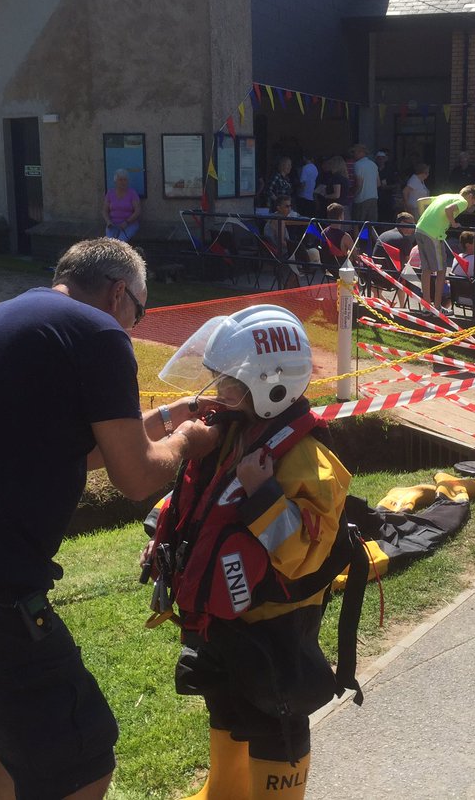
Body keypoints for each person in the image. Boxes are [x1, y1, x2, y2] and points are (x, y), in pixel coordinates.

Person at [0, 238, 220, 800]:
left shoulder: (8, 320)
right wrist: (188, 439)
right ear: (118, 293)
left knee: (11, 726)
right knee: (82, 754)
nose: (135, 323)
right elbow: (135, 478)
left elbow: (72, 450)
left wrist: (165, 418)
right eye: (141, 310)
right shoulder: (99, 333)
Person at [148, 306, 353, 800]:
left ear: (272, 385)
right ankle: (225, 788)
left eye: (230, 384)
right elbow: (198, 497)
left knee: (274, 713)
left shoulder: (309, 460)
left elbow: (303, 554)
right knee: (223, 698)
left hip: (274, 622)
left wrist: (263, 495)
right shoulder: (235, 431)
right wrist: (161, 538)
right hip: (224, 615)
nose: (220, 393)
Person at [416, 186, 475, 313]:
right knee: (441, 270)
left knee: (426, 269)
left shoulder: (446, 195)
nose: (470, 206)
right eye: (473, 203)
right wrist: (454, 223)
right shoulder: (462, 201)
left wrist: (427, 220)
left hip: (420, 229)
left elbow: (421, 201)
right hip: (433, 234)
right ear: (470, 196)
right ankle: (437, 307)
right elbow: (448, 210)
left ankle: (426, 306)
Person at [264, 195, 303, 288]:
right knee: (308, 257)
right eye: (286, 206)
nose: (289, 209)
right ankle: (289, 291)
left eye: (290, 206)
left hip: (273, 252)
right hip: (280, 254)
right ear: (278, 208)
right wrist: (295, 249)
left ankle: (294, 291)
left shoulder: (273, 217)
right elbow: (282, 242)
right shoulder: (279, 221)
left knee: (301, 260)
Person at [103, 169, 143, 242]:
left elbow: (137, 211)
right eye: (120, 180)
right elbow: (105, 211)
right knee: (110, 243)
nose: (123, 182)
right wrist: (108, 221)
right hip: (113, 224)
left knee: (120, 242)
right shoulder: (110, 193)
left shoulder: (132, 193)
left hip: (129, 224)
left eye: (125, 180)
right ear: (116, 181)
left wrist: (127, 222)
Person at [351, 144, 380, 224]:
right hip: (373, 197)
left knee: (357, 224)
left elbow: (359, 184)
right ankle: (372, 237)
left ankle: (357, 237)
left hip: (361, 198)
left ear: (361, 152)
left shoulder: (358, 165)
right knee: (371, 225)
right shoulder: (373, 164)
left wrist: (354, 194)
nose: (353, 154)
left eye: (354, 152)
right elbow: (378, 183)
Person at [314, 156, 345, 220]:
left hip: (333, 204)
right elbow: (316, 191)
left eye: (329, 164)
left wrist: (326, 196)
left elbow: (336, 194)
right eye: (324, 164)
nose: (327, 166)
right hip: (322, 203)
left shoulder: (335, 177)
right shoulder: (321, 176)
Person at [295, 153, 318, 219]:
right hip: (312, 195)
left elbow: (303, 183)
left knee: (303, 217)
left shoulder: (305, 168)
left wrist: (298, 192)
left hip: (304, 196)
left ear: (304, 158)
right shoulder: (315, 168)